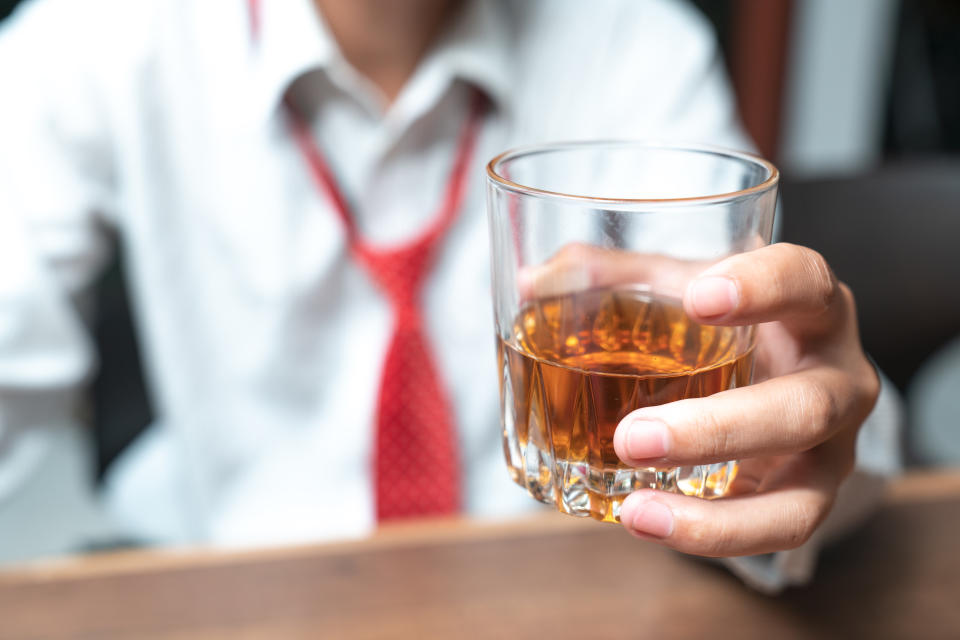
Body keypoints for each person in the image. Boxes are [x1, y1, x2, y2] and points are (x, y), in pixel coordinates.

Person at [0, 0, 898, 591]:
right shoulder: (99, 38)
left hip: (563, 592)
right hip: (236, 589)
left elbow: (809, 403)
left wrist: (803, 434)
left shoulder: (633, 42)